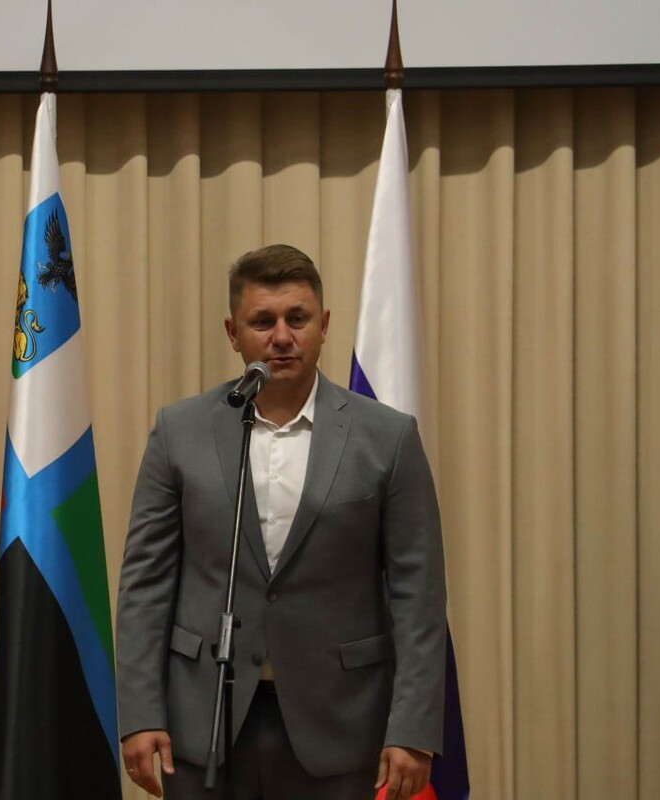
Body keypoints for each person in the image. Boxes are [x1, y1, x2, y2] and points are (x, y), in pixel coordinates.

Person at [115, 244, 446, 799]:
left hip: (342, 725)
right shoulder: (179, 431)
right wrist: (140, 714)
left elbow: (419, 595)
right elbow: (144, 585)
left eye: (298, 318)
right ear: (233, 333)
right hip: (204, 722)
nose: (282, 337)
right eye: (263, 321)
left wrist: (412, 729)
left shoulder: (388, 437)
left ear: (325, 325)